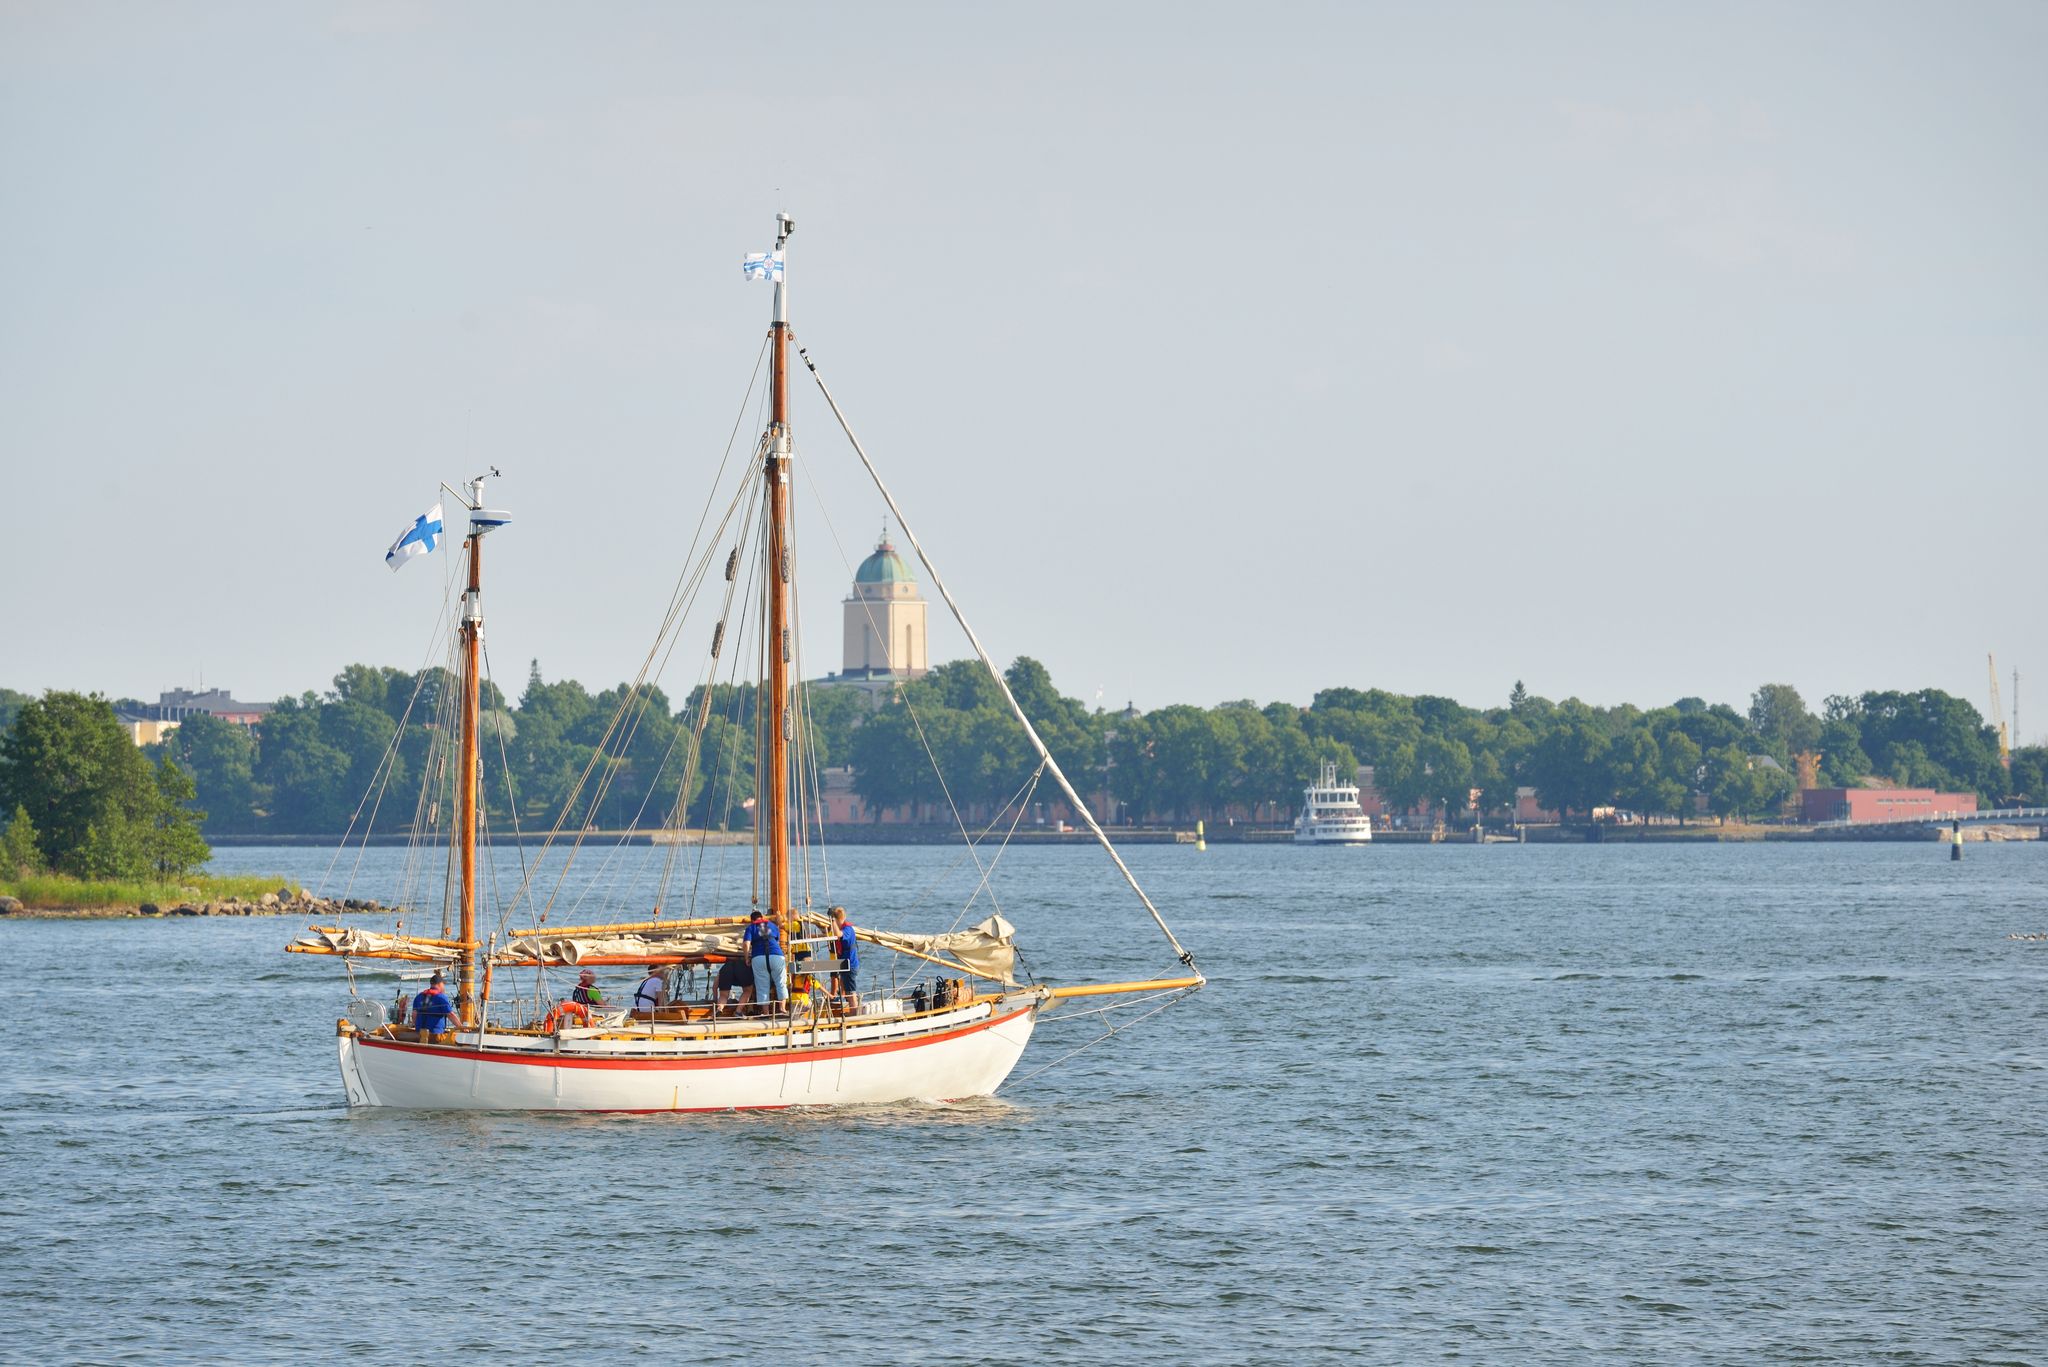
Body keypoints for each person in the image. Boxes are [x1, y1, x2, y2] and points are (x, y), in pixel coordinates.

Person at [744, 910, 786, 1010]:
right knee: (781, 982)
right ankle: (782, 1008)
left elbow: (746, 944)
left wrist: (746, 958)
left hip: (758, 957)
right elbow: (777, 941)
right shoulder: (772, 925)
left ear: (752, 920)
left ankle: (766, 1012)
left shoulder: (750, 927)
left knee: (762, 985)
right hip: (776, 955)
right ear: (762, 917)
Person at [412, 971, 456, 1043]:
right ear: (440, 984)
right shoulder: (441, 997)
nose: (444, 987)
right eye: (443, 984)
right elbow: (451, 1015)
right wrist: (461, 1028)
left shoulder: (419, 996)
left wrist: (416, 1026)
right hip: (436, 1036)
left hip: (419, 1034)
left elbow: (414, 1015)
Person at [830, 905, 860, 1012]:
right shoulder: (845, 928)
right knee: (847, 990)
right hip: (845, 964)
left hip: (850, 965)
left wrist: (832, 920)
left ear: (838, 920)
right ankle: (852, 1012)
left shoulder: (847, 929)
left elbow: (838, 934)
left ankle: (854, 1013)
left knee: (851, 991)